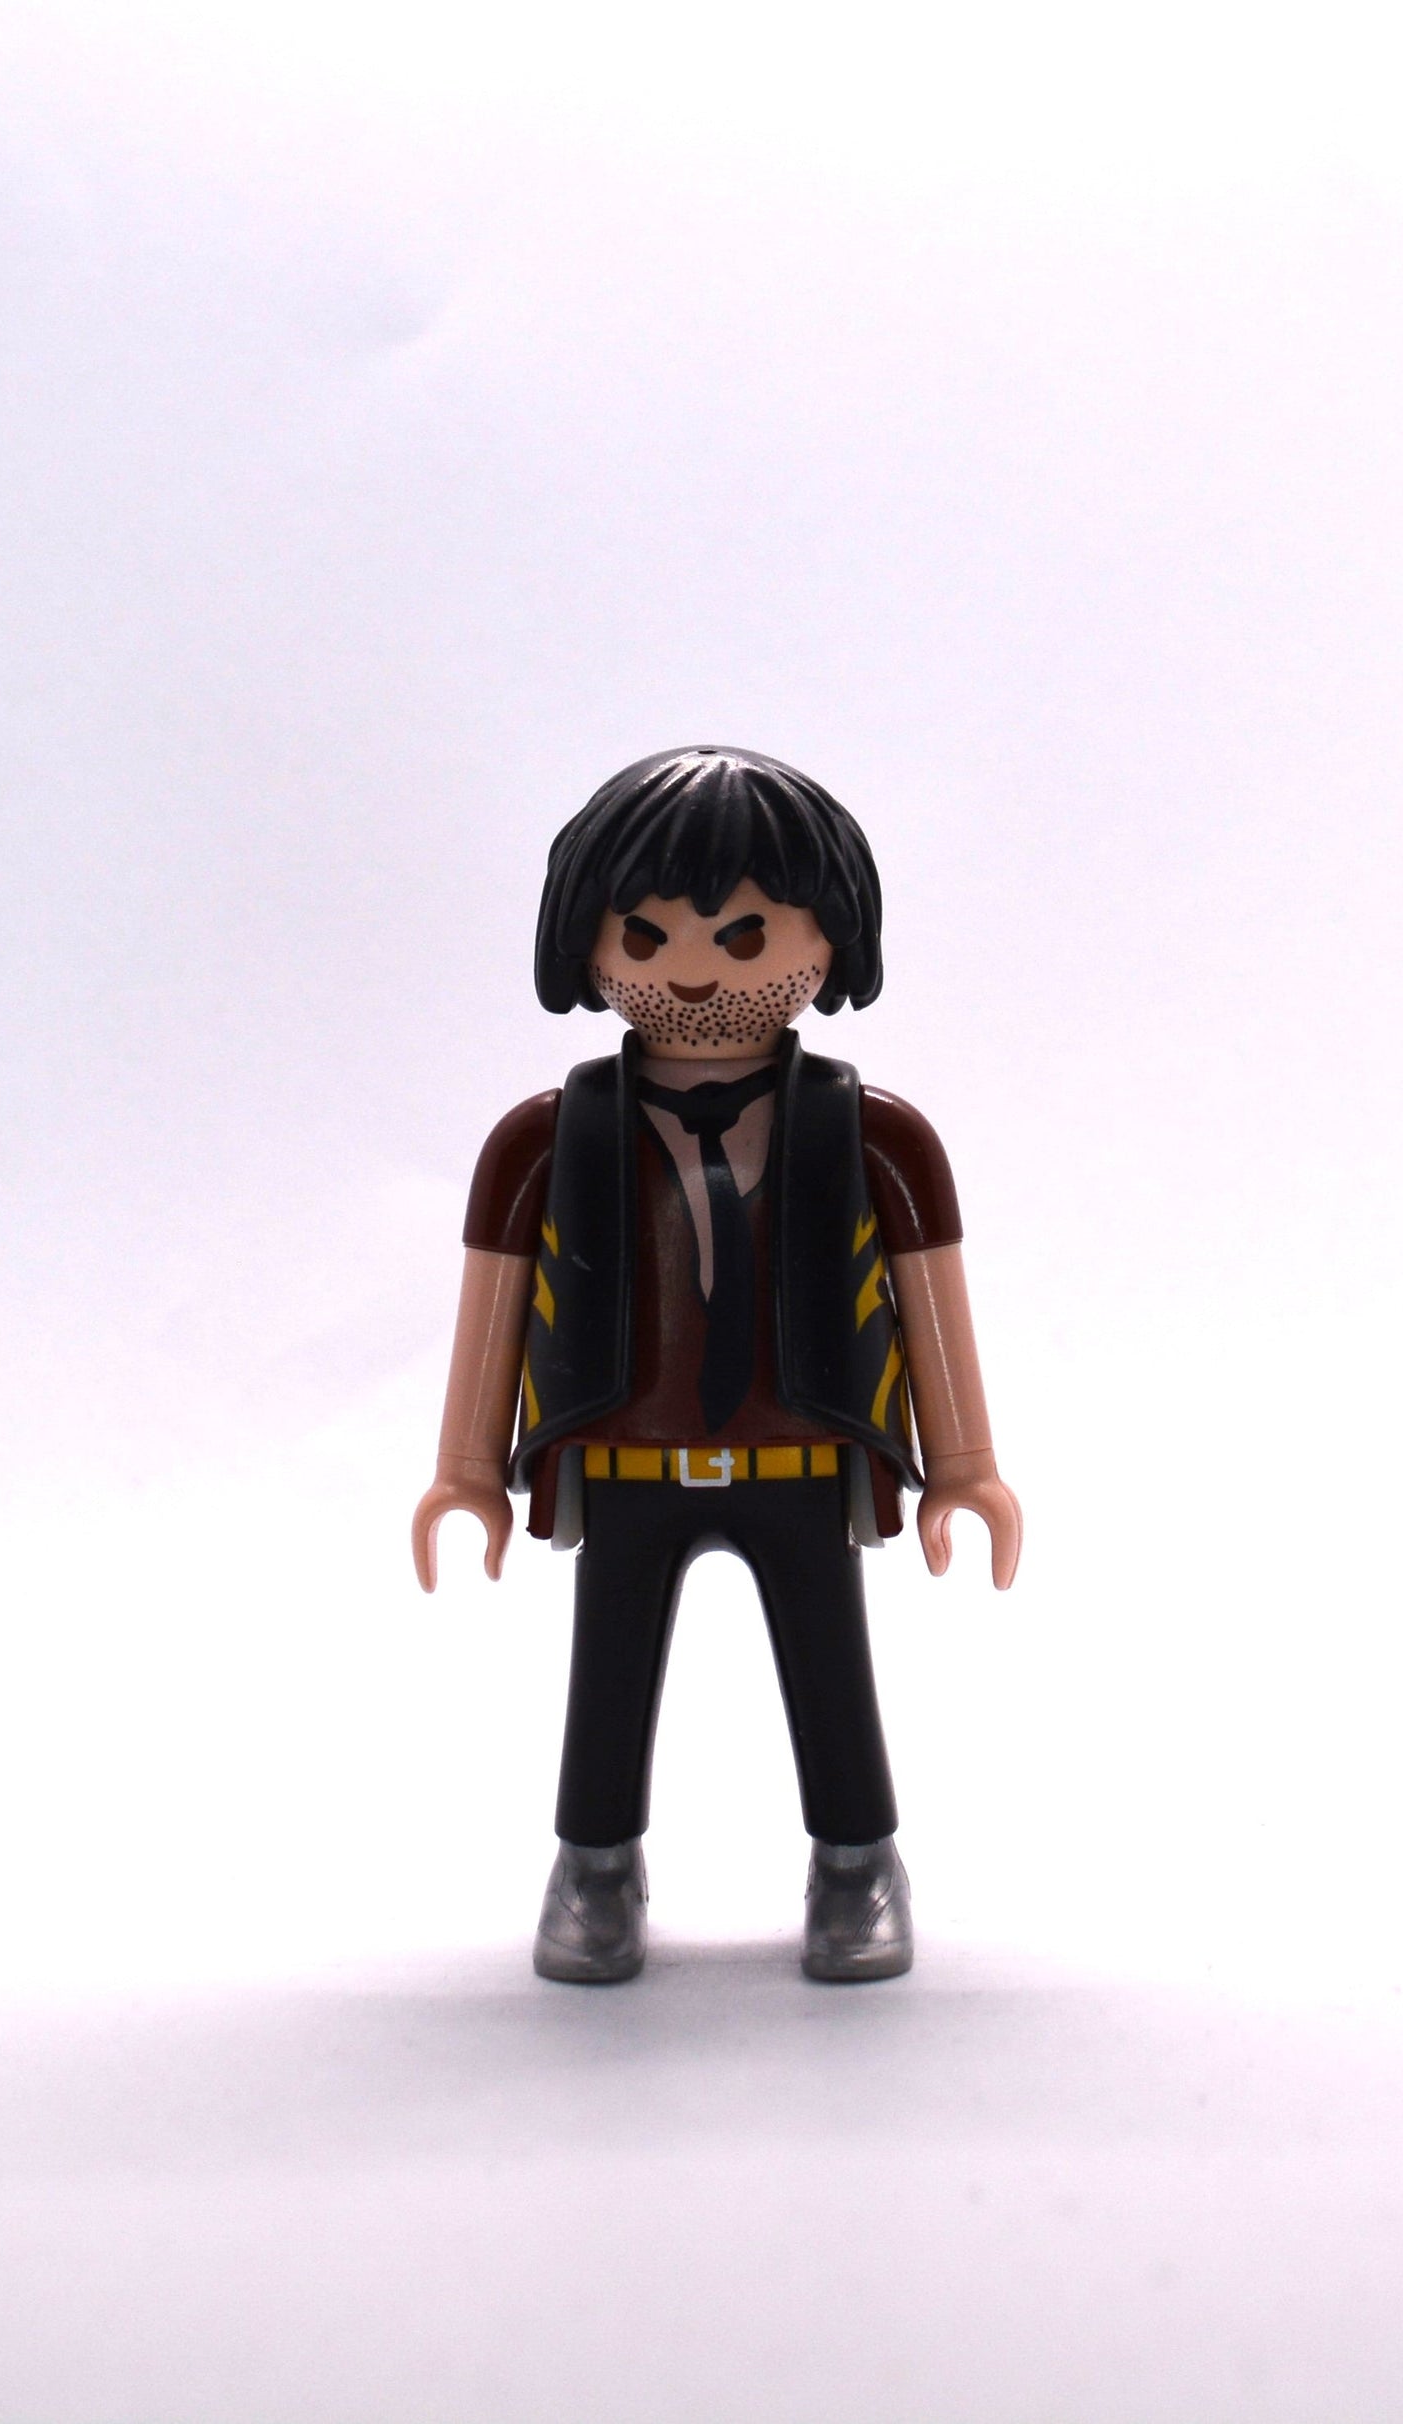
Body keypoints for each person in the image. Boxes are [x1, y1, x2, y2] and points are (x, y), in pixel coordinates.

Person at [413, 745, 1020, 1983]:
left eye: (744, 938)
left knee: (830, 1668)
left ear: (830, 941)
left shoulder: (876, 1136)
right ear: (584, 944)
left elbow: (930, 1301)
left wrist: (964, 1465)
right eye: (644, 936)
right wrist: (466, 1471)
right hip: (621, 1457)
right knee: (607, 1674)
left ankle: (856, 1861)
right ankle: (594, 1863)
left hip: (804, 1452)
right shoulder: (542, 1141)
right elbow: (493, 1304)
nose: (692, 970)